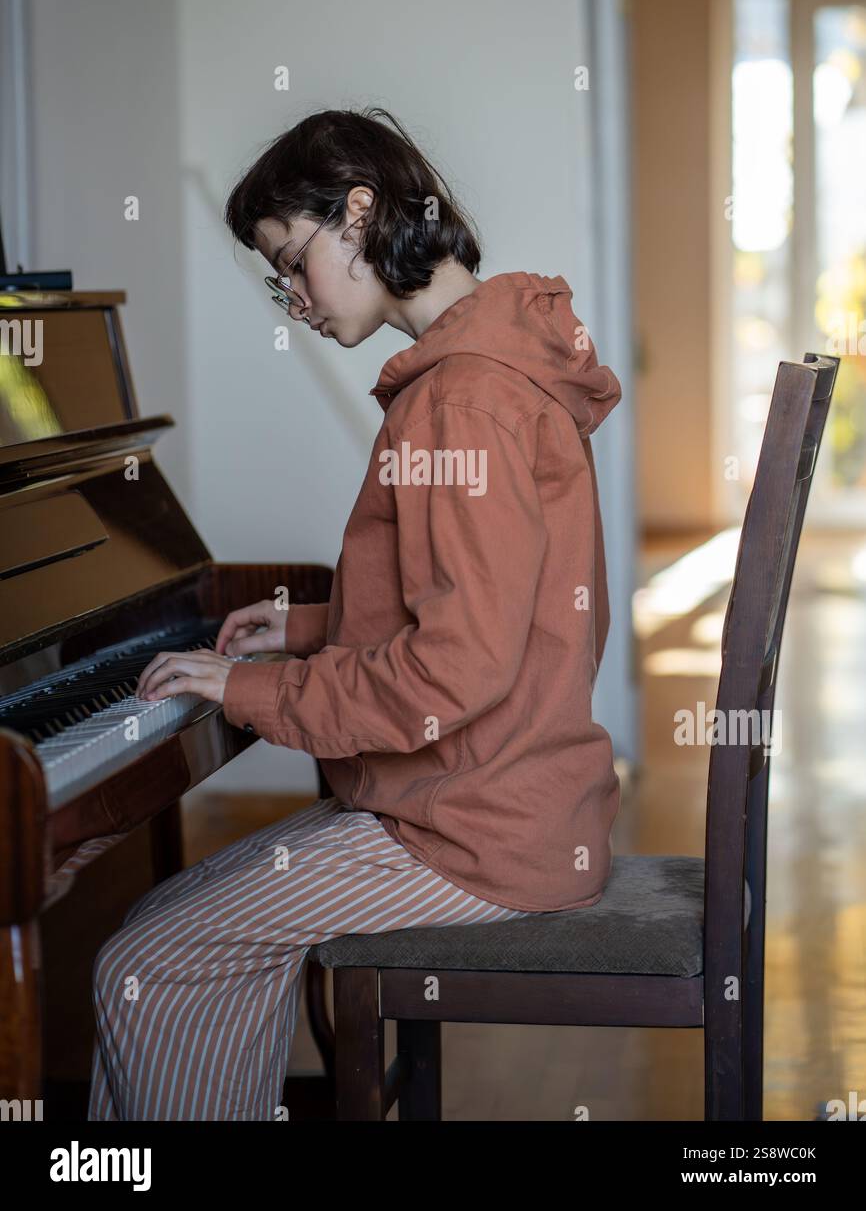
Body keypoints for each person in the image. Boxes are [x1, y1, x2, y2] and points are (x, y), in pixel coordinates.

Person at [88, 106, 622, 1121]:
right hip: (508, 795)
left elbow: (454, 670)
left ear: (359, 213)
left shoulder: (460, 400)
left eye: (292, 260)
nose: (291, 298)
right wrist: (304, 629)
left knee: (150, 960)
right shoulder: (493, 363)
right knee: (181, 929)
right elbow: (475, 602)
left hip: (475, 831)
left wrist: (252, 691)